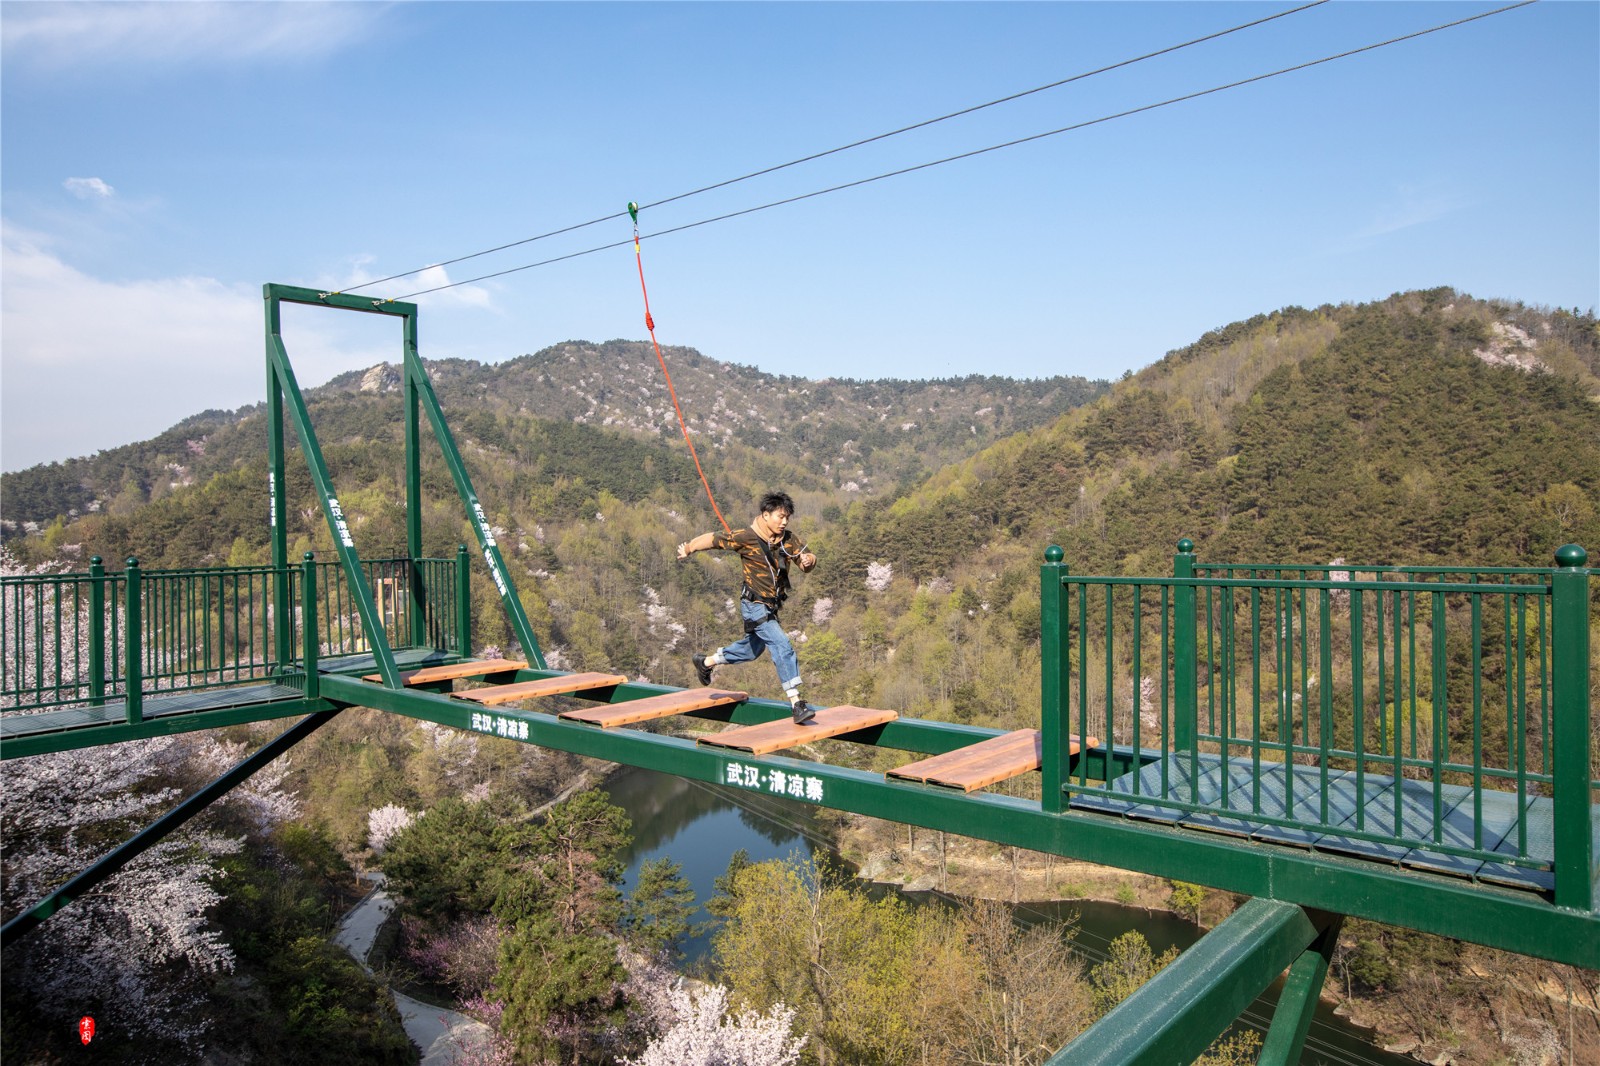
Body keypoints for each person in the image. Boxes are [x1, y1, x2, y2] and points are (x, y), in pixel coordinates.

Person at [678, 491, 818, 724]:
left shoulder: (788, 539)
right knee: (782, 644)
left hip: (771, 607)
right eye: (780, 517)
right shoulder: (746, 537)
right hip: (754, 605)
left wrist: (808, 561)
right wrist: (690, 548)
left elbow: (806, 561)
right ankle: (797, 703)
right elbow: (714, 539)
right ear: (765, 515)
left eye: (787, 518)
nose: (784, 522)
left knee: (752, 650)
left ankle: (706, 662)